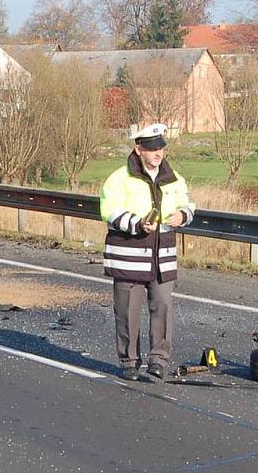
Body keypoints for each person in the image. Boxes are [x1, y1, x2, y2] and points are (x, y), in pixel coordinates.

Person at [99, 123, 195, 381]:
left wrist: (183, 215)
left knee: (162, 306)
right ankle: (129, 362)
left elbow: (188, 203)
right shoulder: (119, 178)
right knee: (127, 311)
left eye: (161, 148)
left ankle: (158, 360)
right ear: (138, 148)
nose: (158, 153)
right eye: (152, 149)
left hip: (161, 257)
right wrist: (137, 223)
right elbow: (109, 211)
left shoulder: (174, 177)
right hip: (130, 256)